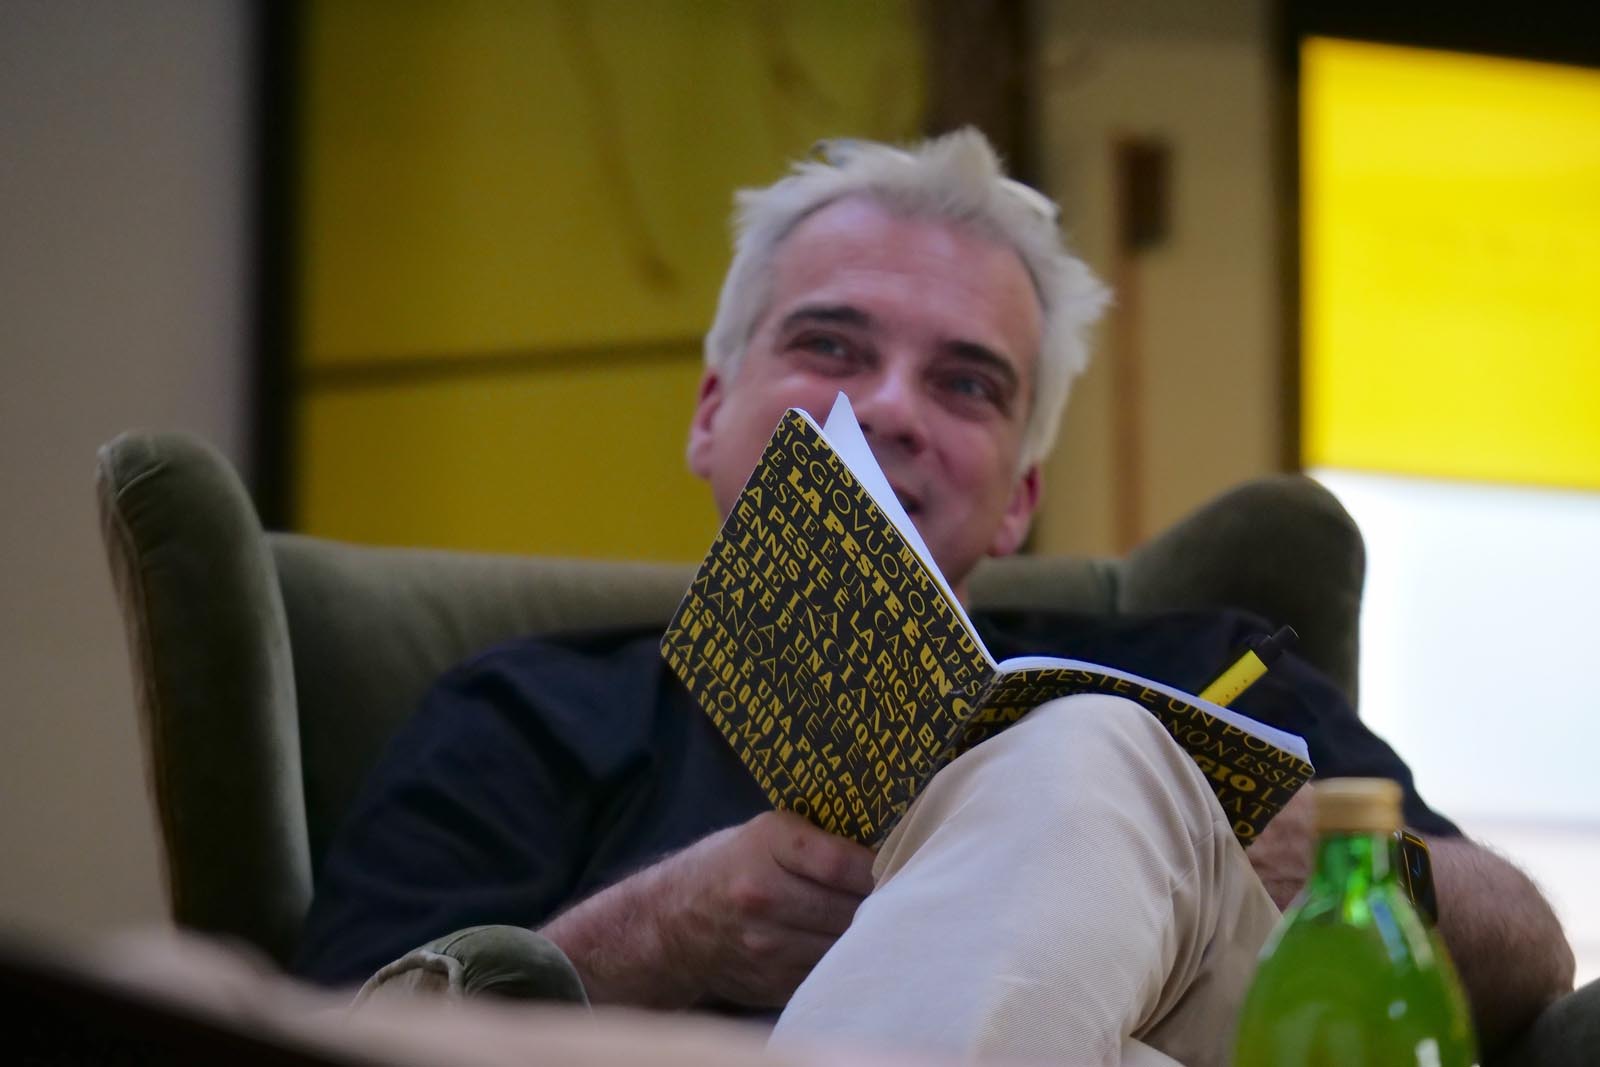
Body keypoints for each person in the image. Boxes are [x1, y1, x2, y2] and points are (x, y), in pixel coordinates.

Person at [295, 130, 1573, 1064]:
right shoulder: (524, 713)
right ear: (709, 413)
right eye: (831, 346)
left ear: (1020, 495)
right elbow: (336, 1033)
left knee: (1092, 743)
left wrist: (1328, 866)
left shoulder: (1208, 659)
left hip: (1212, 983)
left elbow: (1530, 950)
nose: (892, 409)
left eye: (967, 383)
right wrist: (666, 928)